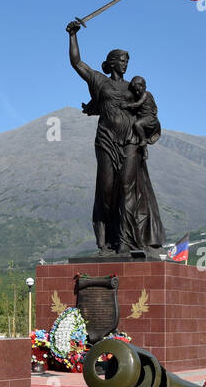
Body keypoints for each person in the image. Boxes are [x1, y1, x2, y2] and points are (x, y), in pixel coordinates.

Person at [67, 21, 166, 258]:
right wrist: (72, 36)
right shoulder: (100, 81)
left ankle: (124, 241)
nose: (125, 64)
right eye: (121, 60)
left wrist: (145, 129)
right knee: (107, 189)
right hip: (106, 140)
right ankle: (106, 239)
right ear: (112, 62)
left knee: (126, 187)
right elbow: (76, 63)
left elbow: (150, 112)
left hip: (130, 141)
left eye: (127, 61)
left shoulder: (134, 88)